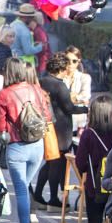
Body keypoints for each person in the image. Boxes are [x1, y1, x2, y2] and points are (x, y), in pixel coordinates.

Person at [0, 58, 53, 223]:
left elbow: (0, 126)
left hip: (17, 146)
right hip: (37, 145)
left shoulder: (4, 94)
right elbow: (47, 115)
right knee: (26, 185)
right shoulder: (36, 89)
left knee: (20, 190)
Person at [35, 53, 88, 209]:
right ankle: (53, 199)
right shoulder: (60, 85)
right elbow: (69, 108)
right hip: (62, 128)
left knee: (49, 163)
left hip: (48, 126)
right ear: (62, 69)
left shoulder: (42, 80)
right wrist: (86, 108)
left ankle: (38, 194)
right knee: (57, 164)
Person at [64, 45, 92, 133]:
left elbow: (85, 96)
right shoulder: (60, 78)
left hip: (80, 123)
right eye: (67, 60)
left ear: (79, 61)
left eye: (74, 61)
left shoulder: (84, 77)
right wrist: (77, 98)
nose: (70, 64)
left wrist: (66, 98)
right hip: (63, 122)